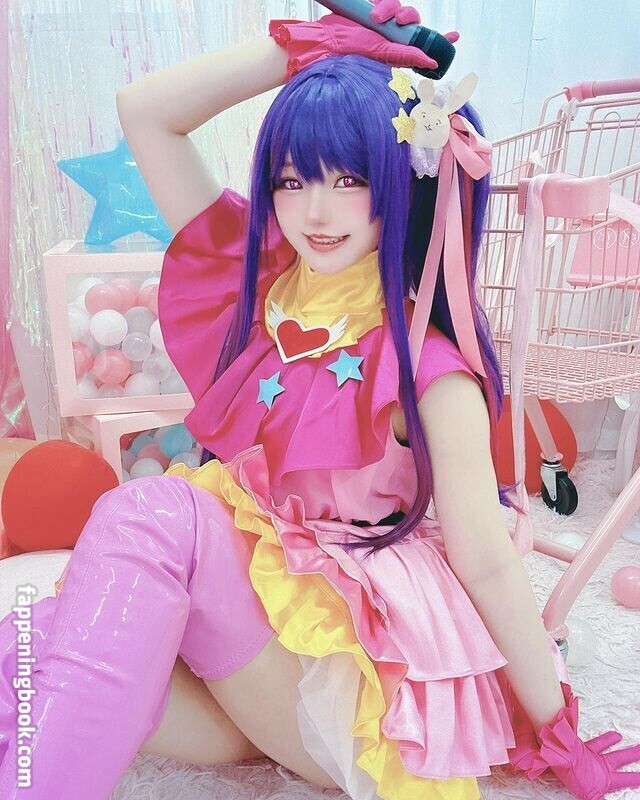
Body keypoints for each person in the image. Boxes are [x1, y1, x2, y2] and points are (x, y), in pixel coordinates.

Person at [0, 2, 639, 799]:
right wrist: (305, 48)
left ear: (400, 181)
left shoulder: (429, 368)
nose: (315, 210)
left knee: (149, 514)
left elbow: (488, 561)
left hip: (340, 676)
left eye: (349, 179)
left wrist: (556, 729)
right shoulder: (263, 282)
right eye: (292, 179)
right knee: (42, 645)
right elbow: (147, 114)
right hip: (253, 665)